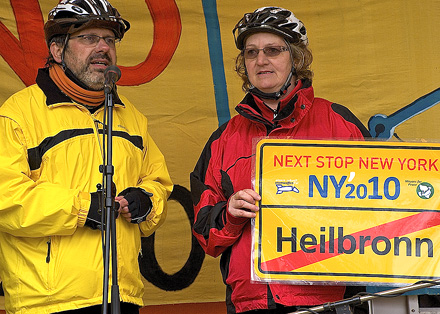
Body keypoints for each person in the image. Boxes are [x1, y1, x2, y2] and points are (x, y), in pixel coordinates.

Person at [190, 6, 370, 314]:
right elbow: (205, 234)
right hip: (253, 302)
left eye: (273, 50)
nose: (261, 61)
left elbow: (382, 210)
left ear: (296, 58)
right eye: (251, 52)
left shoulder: (340, 123)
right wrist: (231, 214)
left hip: (329, 300)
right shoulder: (223, 140)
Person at [0, 0, 173, 313]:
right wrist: (84, 208)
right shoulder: (18, 113)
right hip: (46, 302)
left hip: (122, 297)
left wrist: (146, 201)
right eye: (88, 38)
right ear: (56, 50)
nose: (103, 48)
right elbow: (6, 198)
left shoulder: (130, 117)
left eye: (109, 39)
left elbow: (157, 182)